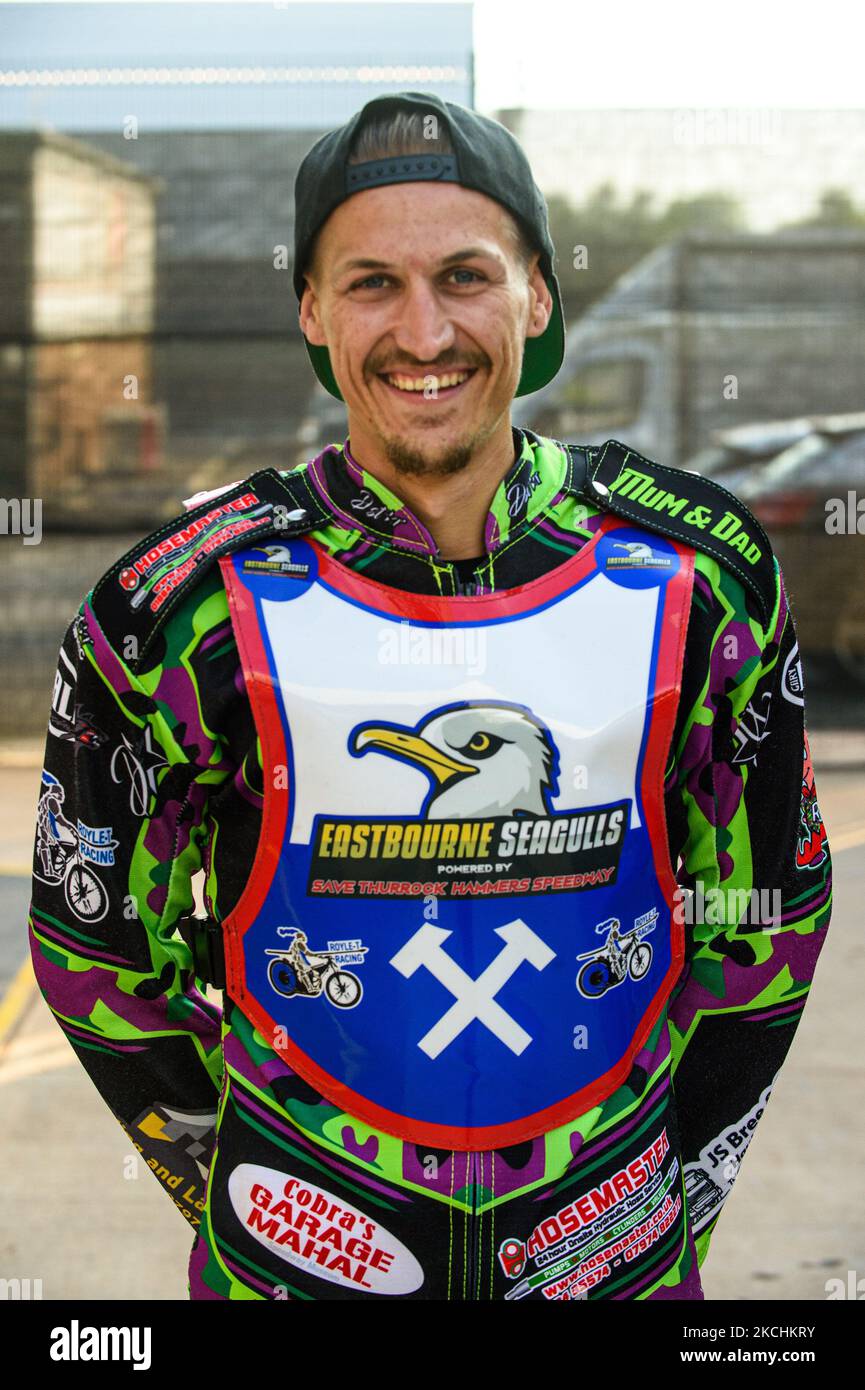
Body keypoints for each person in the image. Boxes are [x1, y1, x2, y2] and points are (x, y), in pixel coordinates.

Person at [27, 91, 832, 1301]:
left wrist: (657, 1212)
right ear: (309, 308)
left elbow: (763, 923)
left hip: (612, 1266)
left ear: (536, 295)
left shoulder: (703, 572)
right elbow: (93, 949)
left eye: (465, 276)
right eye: (369, 284)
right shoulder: (177, 607)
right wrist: (255, 1200)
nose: (423, 330)